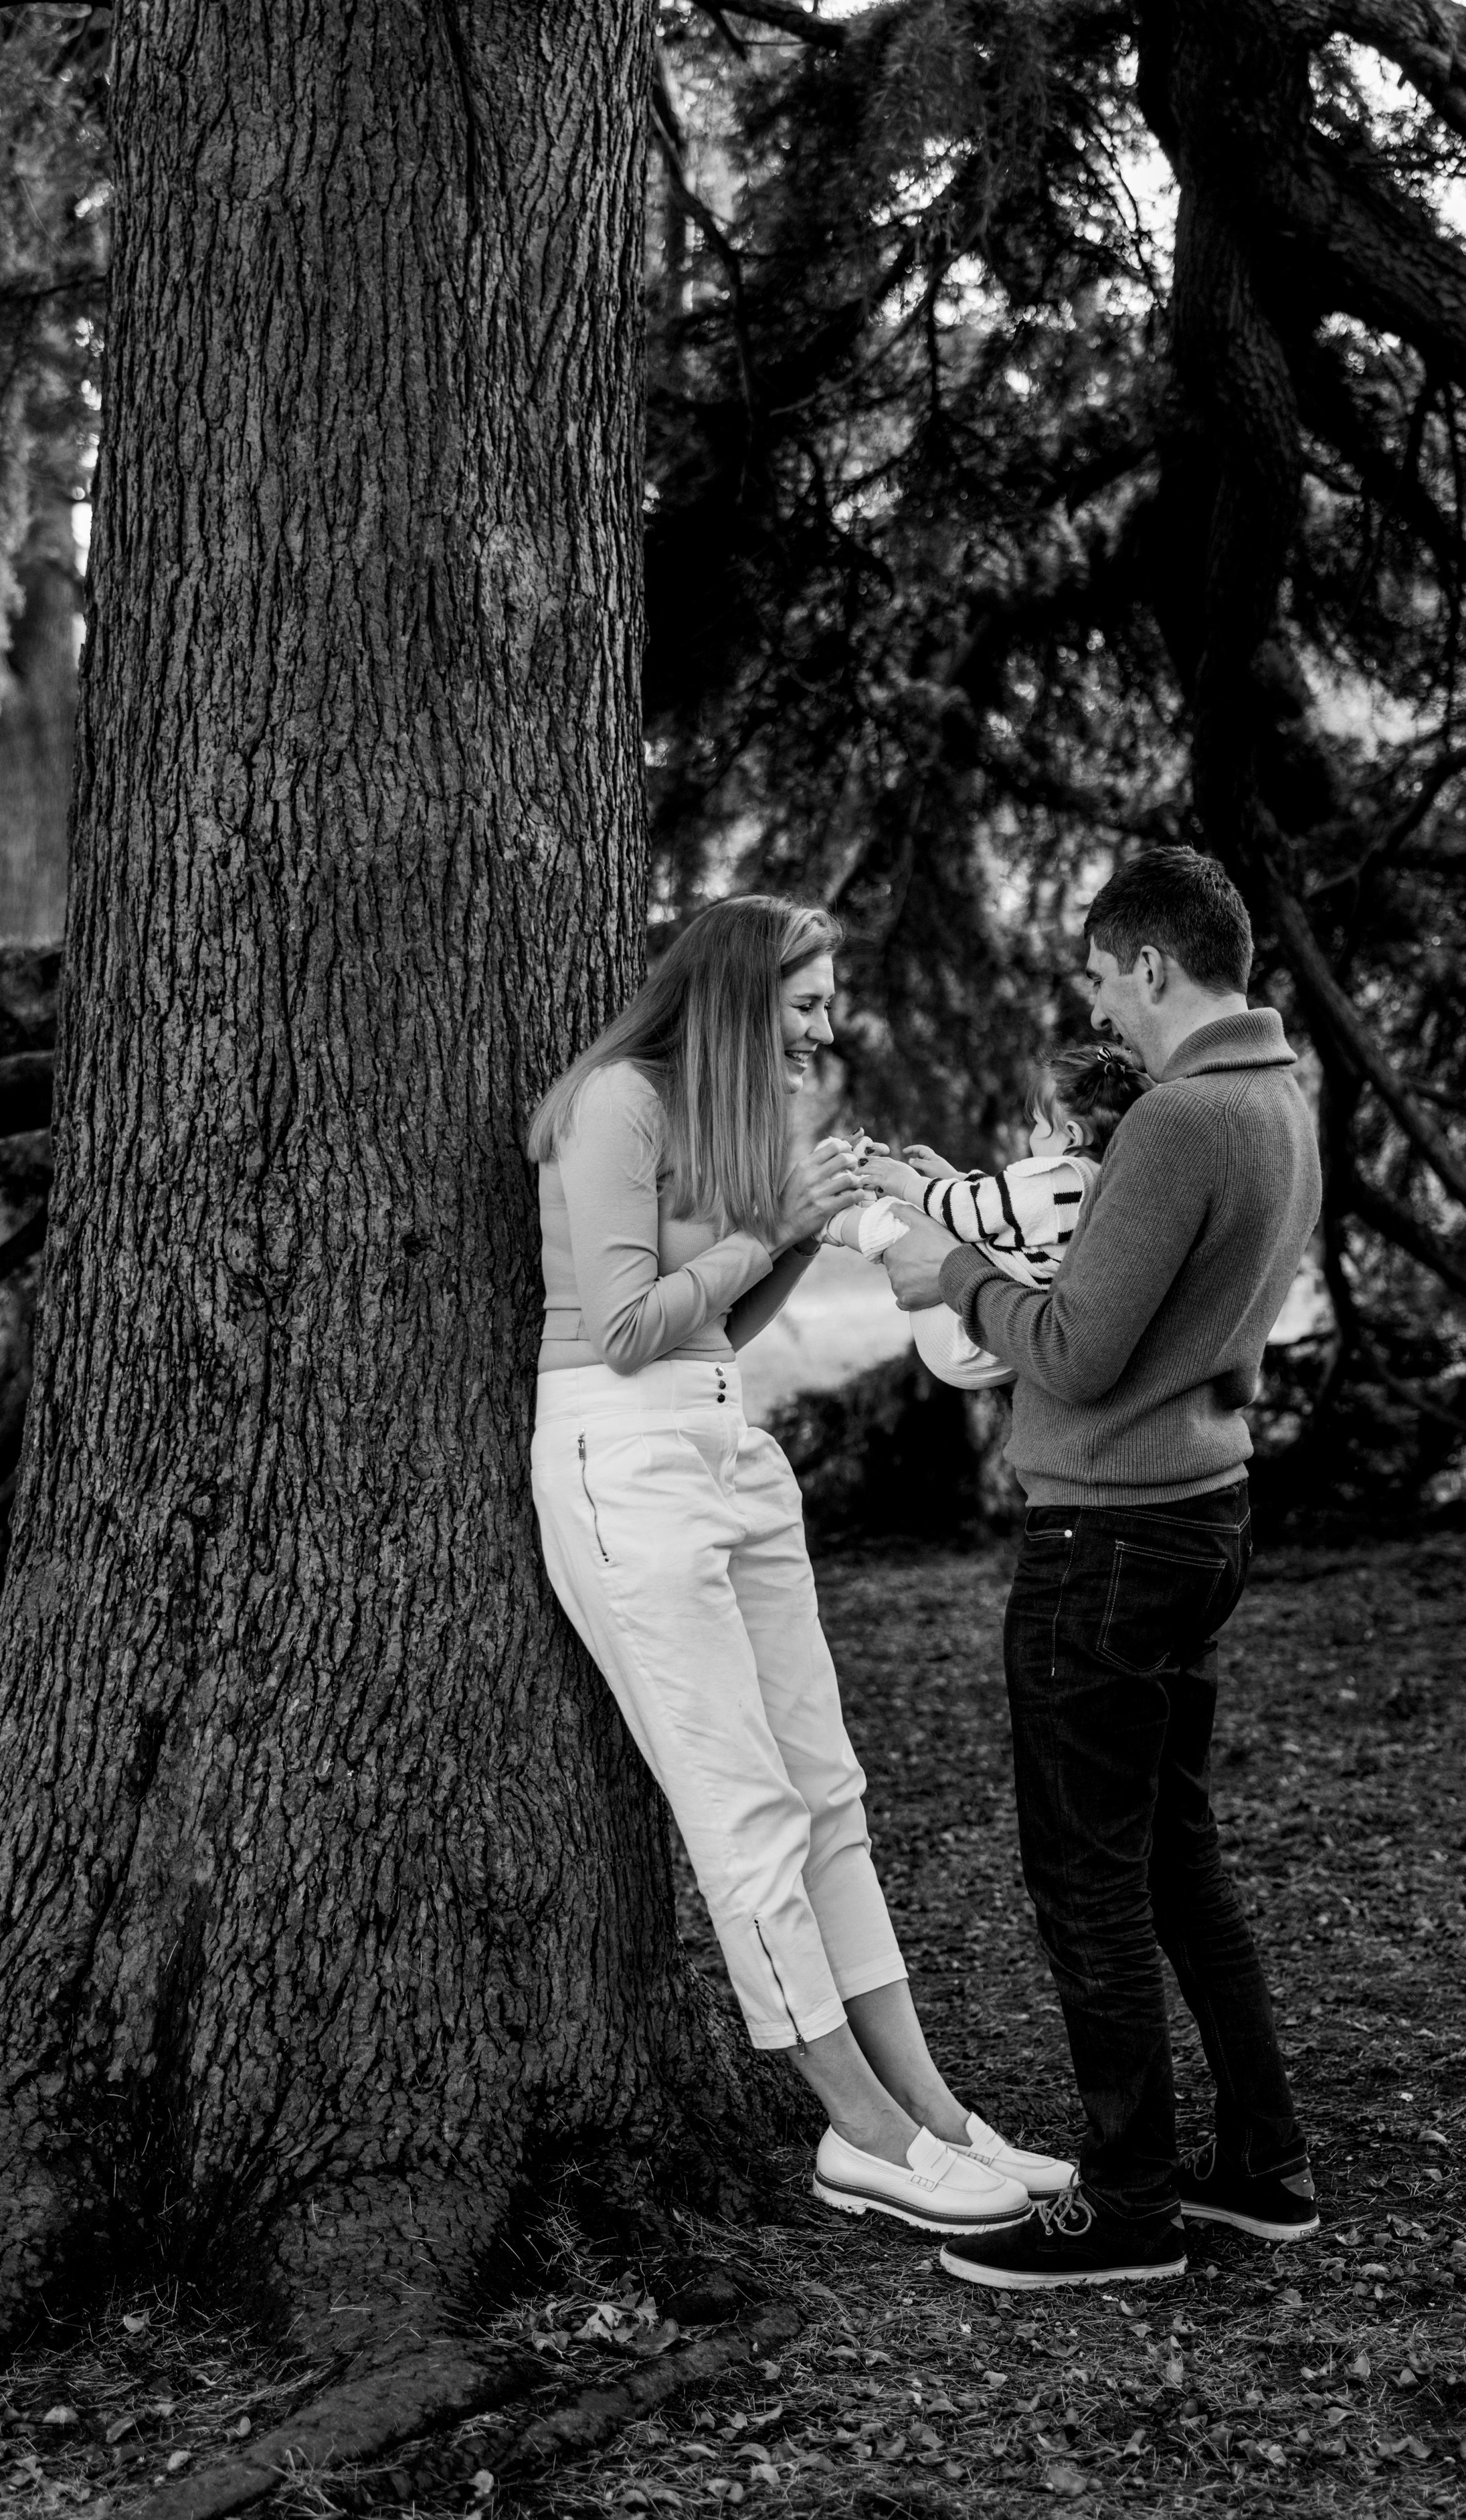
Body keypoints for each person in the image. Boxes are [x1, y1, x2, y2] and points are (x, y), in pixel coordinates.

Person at [528, 895, 1072, 2236]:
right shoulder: (614, 1104)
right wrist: (770, 1214)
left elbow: (734, 1309)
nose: (825, 1027)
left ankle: (934, 2111)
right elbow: (622, 1326)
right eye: (807, 1002)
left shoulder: (732, 1120)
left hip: (729, 1444)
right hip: (621, 1454)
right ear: (735, 993)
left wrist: (802, 1226)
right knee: (745, 1807)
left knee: (829, 1790)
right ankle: (860, 2130)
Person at [882, 846, 1322, 2290]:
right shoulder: (1276, 1100)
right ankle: (1259, 2164)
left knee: (1088, 1875)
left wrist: (946, 1276)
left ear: (1144, 961)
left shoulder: (1179, 1121)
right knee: (1172, 1854)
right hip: (1200, 1514)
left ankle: (1125, 2207)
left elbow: (1072, 1348)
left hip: (1110, 1538)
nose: (1093, 1003)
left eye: (1095, 971)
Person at [824, 1047, 1148, 1387]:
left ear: (1072, 1136)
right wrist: (952, 1181)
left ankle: (831, 1221)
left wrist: (908, 1183)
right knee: (933, 1214)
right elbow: (1006, 1213)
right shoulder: (1100, 1182)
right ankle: (857, 1194)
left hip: (964, 1332)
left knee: (904, 1224)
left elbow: (975, 1211)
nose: (1030, 1136)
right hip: (1004, 1340)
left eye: (1038, 1125)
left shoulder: (1059, 1177)